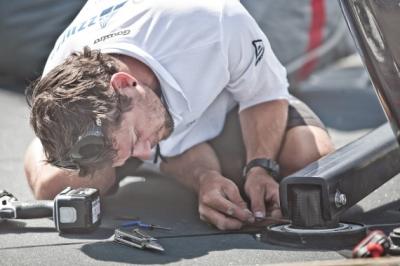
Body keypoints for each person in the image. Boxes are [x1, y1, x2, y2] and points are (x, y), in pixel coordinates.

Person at [24, 0, 334, 230]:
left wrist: (260, 167)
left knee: (308, 162)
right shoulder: (62, 75)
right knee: (55, 186)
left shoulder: (215, 21)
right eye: (132, 150)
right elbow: (162, 150)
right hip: (144, 123)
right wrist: (205, 179)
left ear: (125, 84)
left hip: (228, 104)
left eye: (134, 140)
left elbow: (263, 94)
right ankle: (62, 151)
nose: (146, 153)